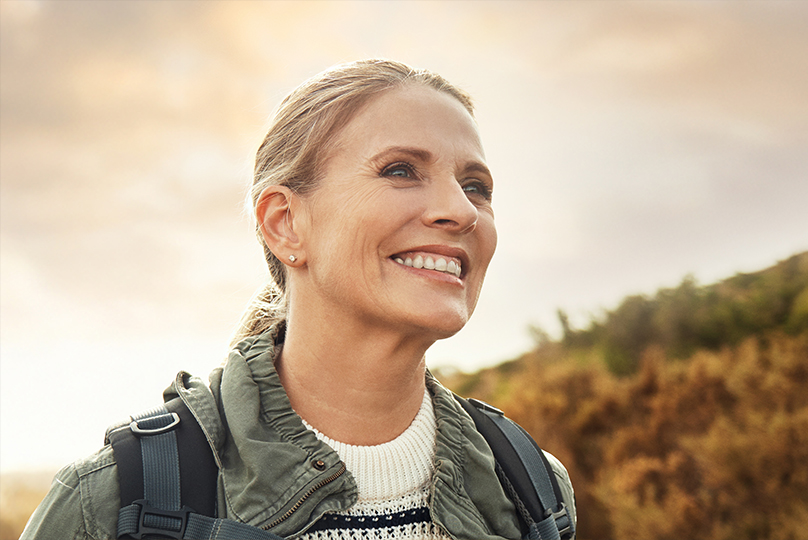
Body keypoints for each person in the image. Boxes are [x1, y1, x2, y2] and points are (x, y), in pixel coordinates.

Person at [21, 59, 576, 540]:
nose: (461, 210)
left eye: (476, 185)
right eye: (401, 170)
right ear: (285, 223)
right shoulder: (116, 501)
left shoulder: (533, 488)